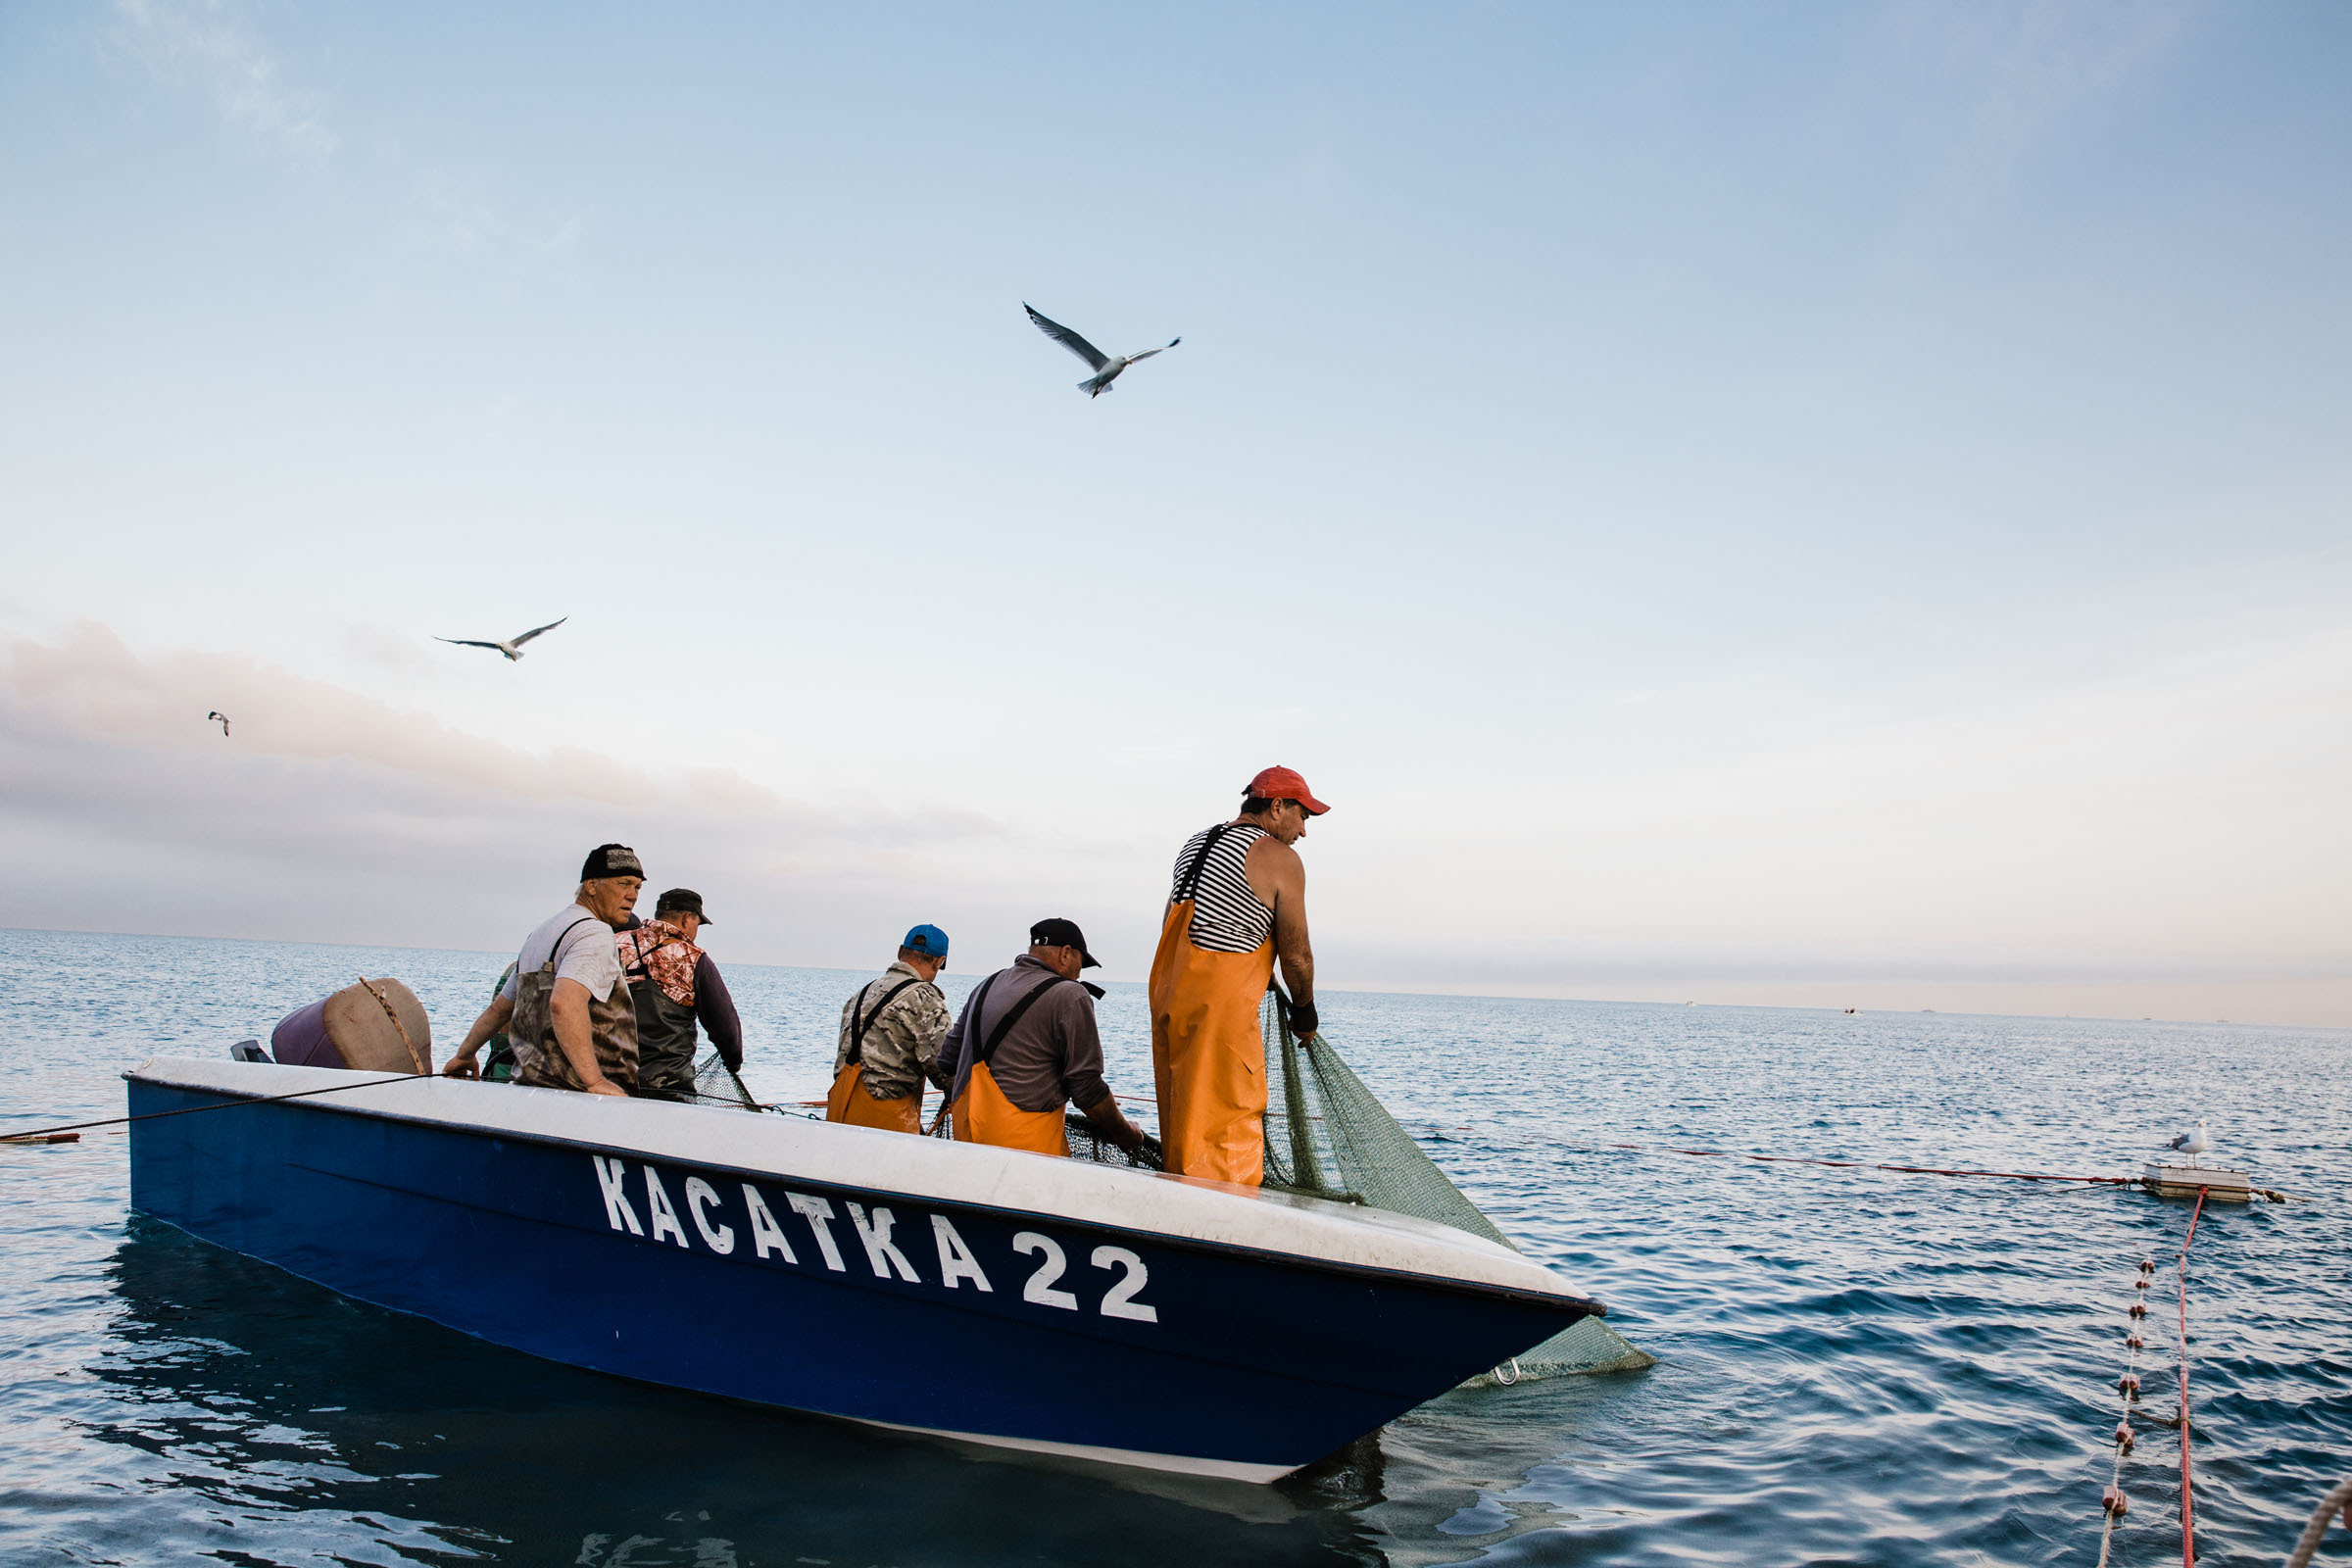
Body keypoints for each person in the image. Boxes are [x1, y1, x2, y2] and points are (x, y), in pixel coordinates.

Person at [1148, 766, 1327, 1186]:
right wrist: (1305, 1011)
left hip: (1170, 999)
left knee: (1184, 1117)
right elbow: (1296, 955)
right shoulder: (1280, 858)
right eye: (1302, 816)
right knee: (1228, 1126)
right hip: (1221, 1014)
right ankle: (1222, 1226)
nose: (1303, 831)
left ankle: (1176, 1209)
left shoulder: (1196, 844)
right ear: (1277, 806)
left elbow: (1177, 924)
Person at [444, 843, 647, 1096]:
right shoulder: (595, 932)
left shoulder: (542, 932)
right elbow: (564, 1003)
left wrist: (464, 1055)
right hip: (582, 1098)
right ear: (591, 886)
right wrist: (594, 1081)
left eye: (637, 887)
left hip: (530, 1090)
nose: (633, 895)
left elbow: (500, 1009)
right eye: (623, 884)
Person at [944, 918, 1144, 1158]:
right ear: (1066, 954)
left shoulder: (986, 985)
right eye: (1081, 964)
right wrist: (1125, 1132)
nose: (1079, 974)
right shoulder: (1071, 994)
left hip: (966, 1146)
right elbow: (1086, 1088)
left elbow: (946, 1060)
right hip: (1025, 1153)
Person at [615, 889, 745, 1102]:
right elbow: (724, 1023)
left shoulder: (614, 943)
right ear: (687, 918)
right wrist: (733, 1061)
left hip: (609, 1080)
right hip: (668, 1088)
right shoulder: (693, 959)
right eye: (697, 923)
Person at [827, 924, 955, 1134]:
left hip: (840, 1114)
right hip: (886, 1124)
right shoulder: (925, 998)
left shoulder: (860, 995)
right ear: (939, 961)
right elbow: (944, 1067)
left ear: (899, 951)